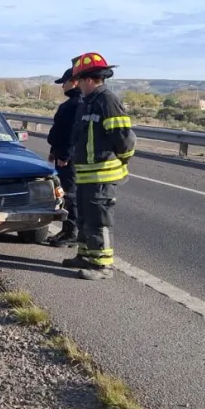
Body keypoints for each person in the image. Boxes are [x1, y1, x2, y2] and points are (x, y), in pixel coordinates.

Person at [63, 53, 136, 280]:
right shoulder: (89, 102)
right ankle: (85, 255)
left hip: (101, 176)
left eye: (79, 81)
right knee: (85, 218)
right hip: (86, 176)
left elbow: (124, 138)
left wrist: (122, 159)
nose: (77, 85)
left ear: (90, 80)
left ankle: (102, 266)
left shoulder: (107, 101)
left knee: (99, 220)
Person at [45, 63, 83, 247]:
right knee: (65, 194)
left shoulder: (77, 105)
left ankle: (72, 233)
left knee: (70, 195)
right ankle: (67, 230)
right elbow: (60, 132)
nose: (62, 86)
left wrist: (65, 155)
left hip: (69, 159)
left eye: (65, 82)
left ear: (74, 82)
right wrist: (54, 151)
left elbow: (73, 134)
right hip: (62, 155)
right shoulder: (71, 104)